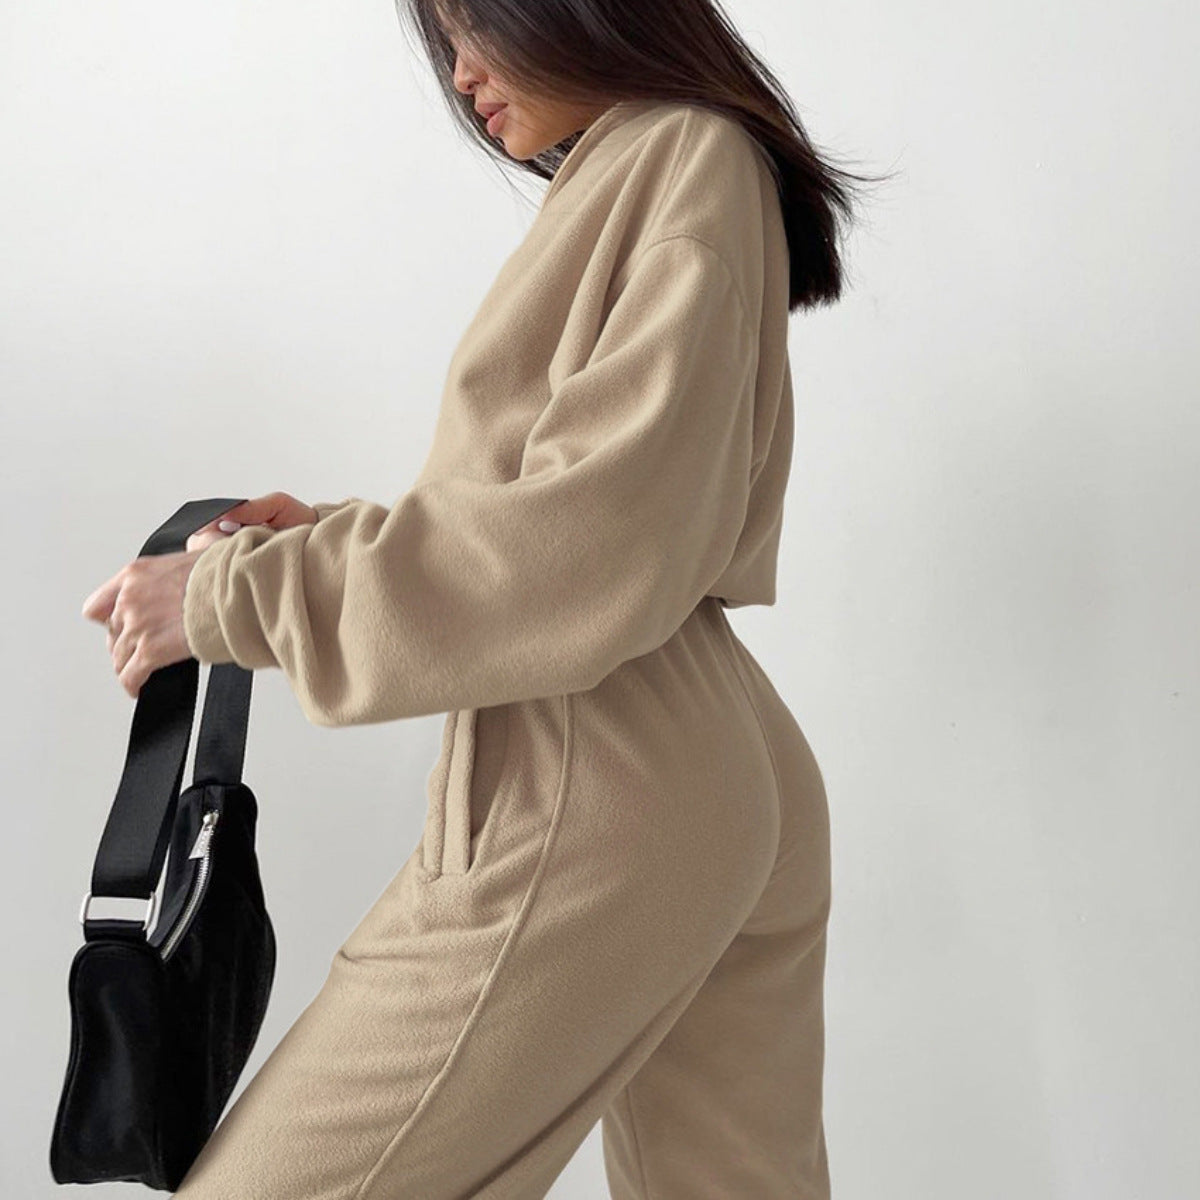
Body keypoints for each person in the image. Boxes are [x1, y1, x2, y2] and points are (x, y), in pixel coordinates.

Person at [81, 2, 891, 1195]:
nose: (461, 75)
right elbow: (573, 512)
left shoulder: (680, 156)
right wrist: (331, 539)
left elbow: (595, 542)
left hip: (597, 767)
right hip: (700, 758)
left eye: (476, 26)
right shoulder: (668, 165)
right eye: (443, 44)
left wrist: (232, 598)